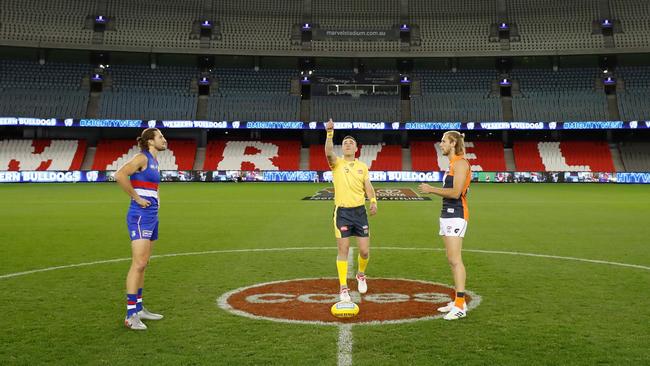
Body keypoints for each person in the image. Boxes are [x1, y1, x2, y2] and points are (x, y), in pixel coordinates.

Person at [115, 128, 167, 330]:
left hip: (152, 214)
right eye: (160, 137)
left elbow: (154, 187)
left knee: (144, 263)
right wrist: (136, 198)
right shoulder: (141, 158)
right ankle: (130, 316)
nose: (164, 140)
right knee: (138, 263)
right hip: (140, 215)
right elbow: (120, 175)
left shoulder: (154, 162)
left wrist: (157, 201)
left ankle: (139, 308)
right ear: (150, 141)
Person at [418, 131, 471, 320]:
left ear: (453, 143)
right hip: (447, 214)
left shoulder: (460, 163)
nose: (440, 144)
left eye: (443, 141)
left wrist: (431, 189)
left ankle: (460, 305)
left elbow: (456, 193)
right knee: (451, 259)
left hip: (456, 214)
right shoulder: (452, 164)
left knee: (456, 260)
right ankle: (458, 300)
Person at [325, 118, 378, 302]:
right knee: (344, 249)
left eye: (351, 143)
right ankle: (343, 288)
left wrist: (373, 200)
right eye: (345, 143)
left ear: (356, 148)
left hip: (359, 212)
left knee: (364, 251)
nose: (347, 144)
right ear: (342, 148)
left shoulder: (362, 167)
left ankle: (361, 274)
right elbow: (328, 151)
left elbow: (368, 185)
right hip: (342, 213)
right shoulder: (336, 163)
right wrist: (330, 133)